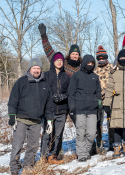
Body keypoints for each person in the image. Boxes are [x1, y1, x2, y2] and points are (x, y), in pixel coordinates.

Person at [38, 23, 82, 159]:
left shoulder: (81, 69)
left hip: (72, 102)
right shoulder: (62, 63)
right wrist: (44, 36)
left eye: (77, 54)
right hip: (57, 104)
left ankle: (86, 149)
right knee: (52, 130)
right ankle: (50, 153)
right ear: (69, 55)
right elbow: (49, 51)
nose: (75, 56)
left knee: (76, 126)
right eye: (73, 53)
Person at [8, 58, 54, 175]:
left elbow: (49, 105)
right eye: (34, 68)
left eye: (38, 68)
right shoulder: (21, 81)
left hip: (36, 121)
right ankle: (14, 168)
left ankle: (27, 166)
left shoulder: (45, 85)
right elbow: (13, 99)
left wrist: (49, 120)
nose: (36, 70)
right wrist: (12, 116)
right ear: (30, 69)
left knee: (33, 146)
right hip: (21, 119)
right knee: (17, 145)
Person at [68, 55, 101, 162]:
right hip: (79, 109)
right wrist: (72, 108)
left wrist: (99, 105)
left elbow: (98, 92)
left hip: (92, 109)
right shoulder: (76, 76)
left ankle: (86, 151)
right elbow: (71, 93)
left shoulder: (95, 77)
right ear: (84, 64)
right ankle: (82, 154)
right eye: (88, 63)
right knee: (81, 133)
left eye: (92, 64)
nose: (90, 65)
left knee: (91, 134)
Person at [42, 52, 70, 164]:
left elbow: (70, 92)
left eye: (61, 60)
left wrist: (64, 96)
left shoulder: (66, 77)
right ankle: (43, 156)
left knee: (57, 135)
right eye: (57, 60)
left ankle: (52, 155)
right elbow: (42, 91)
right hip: (49, 111)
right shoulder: (46, 75)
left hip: (62, 111)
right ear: (53, 62)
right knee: (47, 135)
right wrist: (50, 97)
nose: (59, 62)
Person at [93, 46, 113, 152]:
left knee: (111, 121)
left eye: (103, 58)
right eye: (99, 58)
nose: (101, 60)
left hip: (110, 99)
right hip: (98, 100)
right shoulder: (94, 70)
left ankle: (112, 142)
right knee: (98, 123)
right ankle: (99, 144)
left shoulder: (112, 68)